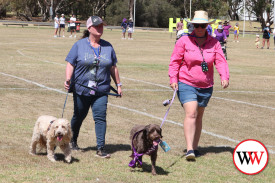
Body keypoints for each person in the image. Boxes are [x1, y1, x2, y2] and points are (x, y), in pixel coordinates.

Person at [169, 10, 229, 161]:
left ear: (207, 26)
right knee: (191, 113)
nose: (199, 28)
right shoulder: (183, 41)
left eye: (202, 25)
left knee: (199, 115)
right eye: (196, 25)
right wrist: (173, 78)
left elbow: (220, 61)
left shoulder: (214, 43)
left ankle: (195, 148)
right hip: (186, 82)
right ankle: (189, 149)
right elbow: (175, 61)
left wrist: (224, 76)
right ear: (193, 25)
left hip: (206, 85)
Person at [64, 16, 123, 158]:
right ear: (89, 28)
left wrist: (118, 85)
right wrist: (67, 78)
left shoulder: (108, 47)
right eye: (97, 26)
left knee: (100, 117)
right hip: (81, 89)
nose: (100, 28)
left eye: (102, 26)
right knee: (78, 116)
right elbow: (70, 63)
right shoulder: (79, 45)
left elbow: (113, 67)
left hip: (101, 89)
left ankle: (100, 148)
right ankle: (72, 140)